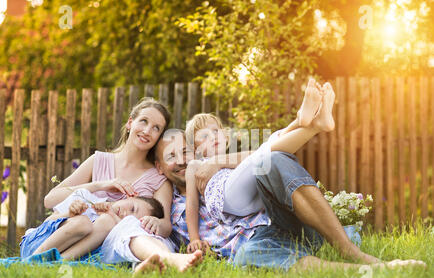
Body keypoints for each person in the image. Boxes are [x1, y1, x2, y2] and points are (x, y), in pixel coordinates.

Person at [145, 125, 425, 271]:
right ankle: (377, 271)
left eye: (185, 152)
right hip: (255, 243)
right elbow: (158, 233)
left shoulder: (208, 171)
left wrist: (217, 162)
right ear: (159, 167)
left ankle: (350, 251)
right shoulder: (170, 207)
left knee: (273, 159)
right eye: (171, 157)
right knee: (249, 257)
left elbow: (254, 159)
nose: (181, 161)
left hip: (278, 219)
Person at [183, 79, 335, 253]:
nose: (212, 137)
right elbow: (192, 205)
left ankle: (303, 121)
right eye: (203, 136)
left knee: (264, 156)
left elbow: (258, 156)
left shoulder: (232, 158)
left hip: (257, 202)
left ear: (225, 137)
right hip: (229, 198)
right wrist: (194, 238)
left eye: (215, 131)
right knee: (260, 155)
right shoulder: (195, 165)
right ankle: (308, 124)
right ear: (196, 149)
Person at [21, 98, 173, 261]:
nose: (147, 130)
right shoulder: (98, 161)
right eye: (143, 121)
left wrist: (155, 223)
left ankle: (54, 263)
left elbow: (166, 225)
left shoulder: (159, 180)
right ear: (130, 123)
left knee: (107, 222)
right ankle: (40, 260)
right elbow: (49, 200)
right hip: (57, 238)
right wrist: (101, 185)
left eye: (156, 128)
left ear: (159, 137)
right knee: (87, 222)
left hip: (96, 250)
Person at [20, 188, 165, 260]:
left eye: (130, 219)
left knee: (106, 221)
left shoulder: (111, 232)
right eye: (132, 208)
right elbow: (46, 223)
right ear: (129, 197)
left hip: (61, 257)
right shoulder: (85, 197)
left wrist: (113, 218)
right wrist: (70, 215)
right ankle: (33, 261)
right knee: (83, 223)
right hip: (36, 244)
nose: (126, 214)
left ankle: (54, 263)